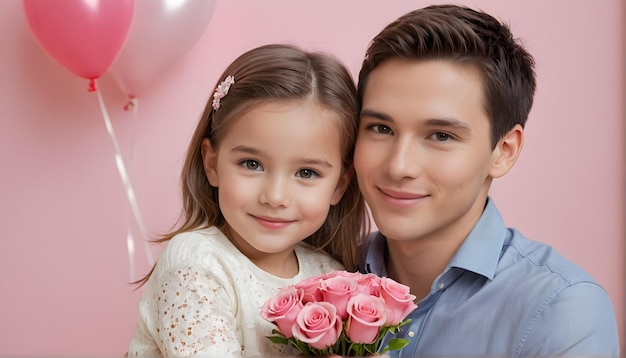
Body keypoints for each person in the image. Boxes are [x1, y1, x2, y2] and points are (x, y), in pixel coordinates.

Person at [355, 4, 619, 357]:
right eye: (380, 128)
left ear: (504, 151)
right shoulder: (313, 272)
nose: (399, 165)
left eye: (440, 136)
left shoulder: (562, 309)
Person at [127, 44, 369, 357]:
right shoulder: (197, 260)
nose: (275, 197)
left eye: (307, 172)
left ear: (340, 184)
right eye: (251, 164)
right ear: (212, 164)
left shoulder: (330, 278)